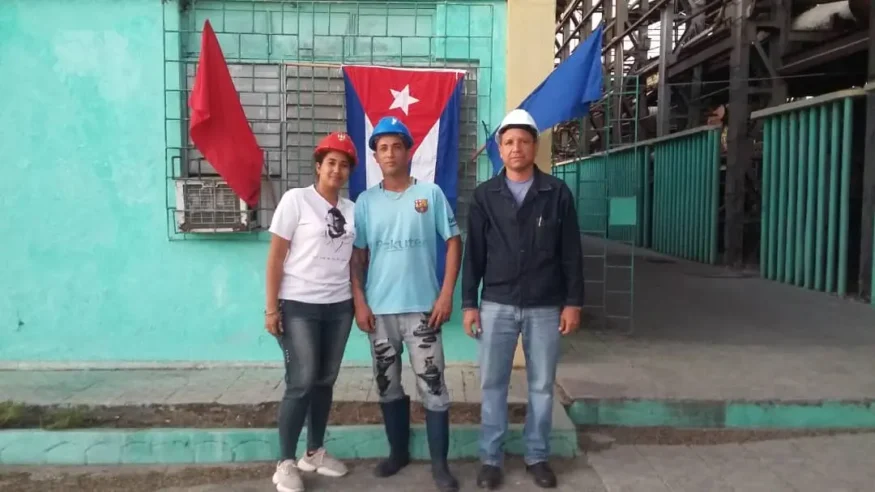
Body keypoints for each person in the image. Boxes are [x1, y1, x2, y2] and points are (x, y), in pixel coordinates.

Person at [461, 109, 584, 490]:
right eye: (509, 141)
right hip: (496, 303)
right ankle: (491, 459)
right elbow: (474, 254)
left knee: (542, 385)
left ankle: (537, 456)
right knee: (493, 384)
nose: (516, 148)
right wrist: (468, 303)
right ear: (499, 149)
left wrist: (573, 302)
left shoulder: (556, 193)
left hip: (545, 305)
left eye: (524, 141)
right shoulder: (485, 196)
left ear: (535, 146)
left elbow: (571, 253)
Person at [350, 116, 463, 492]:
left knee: (433, 385)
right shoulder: (365, 202)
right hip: (380, 313)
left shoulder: (429, 194)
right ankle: (398, 453)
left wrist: (446, 294)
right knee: (388, 385)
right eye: (383, 147)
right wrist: (360, 302)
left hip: (422, 311)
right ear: (376, 155)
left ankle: (440, 466)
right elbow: (358, 257)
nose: (390, 153)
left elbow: (453, 242)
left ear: (408, 150)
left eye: (397, 146)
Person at [265, 132, 359, 492]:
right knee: (301, 381)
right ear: (318, 166)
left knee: (324, 381)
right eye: (330, 162)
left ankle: (314, 452)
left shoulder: (351, 210)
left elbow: (353, 260)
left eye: (344, 164)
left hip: (338, 307)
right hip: (299, 304)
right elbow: (275, 257)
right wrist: (271, 308)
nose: (337, 169)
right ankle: (285, 462)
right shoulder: (296, 201)